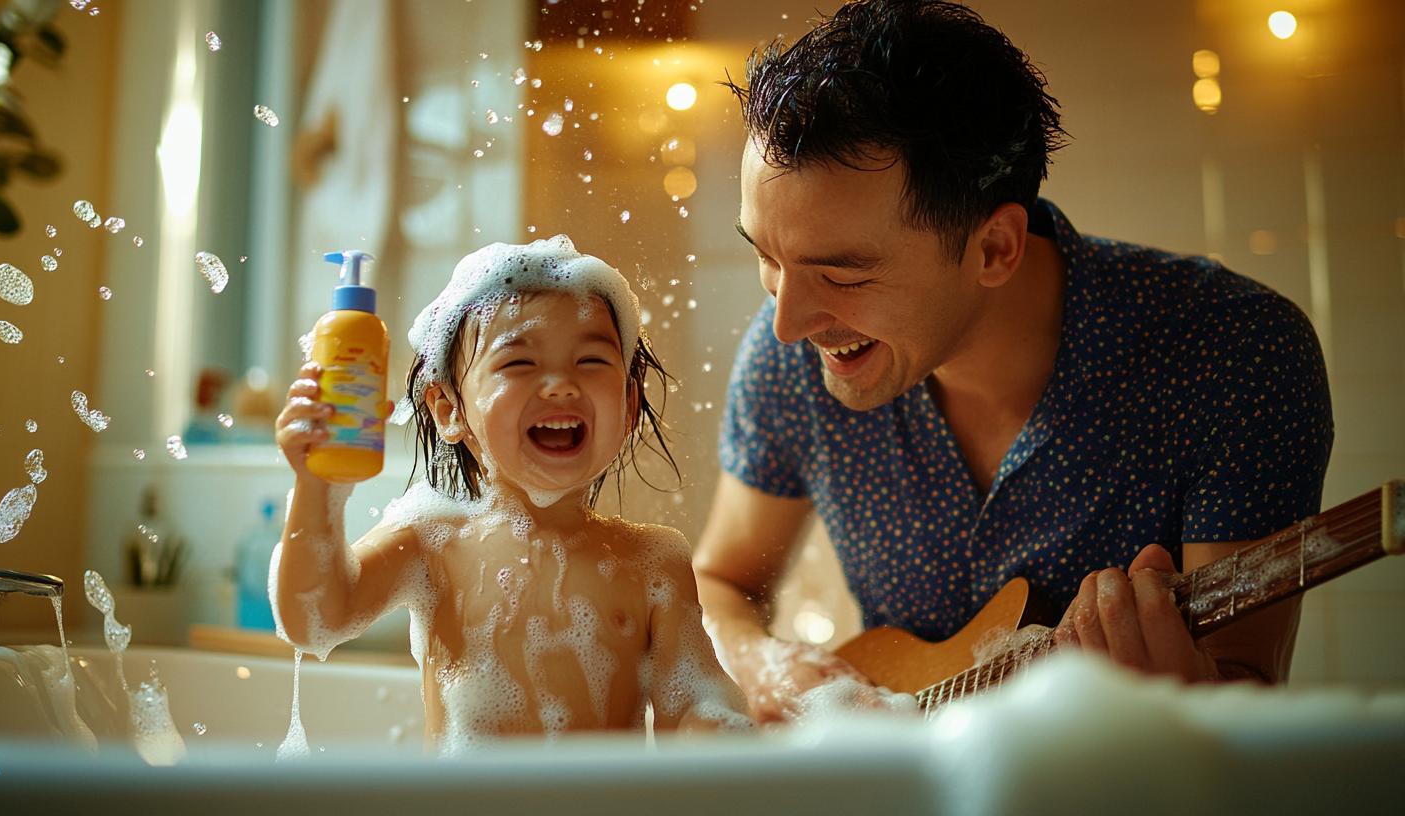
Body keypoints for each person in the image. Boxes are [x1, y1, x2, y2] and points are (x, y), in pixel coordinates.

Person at [694, 0, 1333, 723]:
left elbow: (1246, 688)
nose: (786, 325)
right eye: (767, 256)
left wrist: (1184, 699)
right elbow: (720, 583)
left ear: (995, 248)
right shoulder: (792, 360)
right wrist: (766, 667)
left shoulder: (1237, 353)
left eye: (842, 276)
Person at [273, 237, 753, 752]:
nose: (561, 385)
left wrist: (727, 733)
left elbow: (693, 712)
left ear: (629, 404)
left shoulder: (652, 563)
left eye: (591, 360)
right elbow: (316, 618)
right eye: (518, 364)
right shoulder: (433, 542)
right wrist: (317, 489)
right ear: (449, 410)